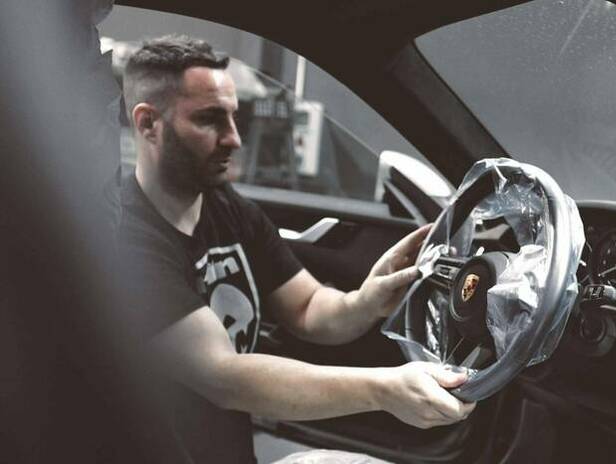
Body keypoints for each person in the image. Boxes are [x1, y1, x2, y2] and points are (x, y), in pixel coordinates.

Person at [117, 35, 474, 463]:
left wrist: (365, 300)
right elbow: (223, 377)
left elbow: (306, 308)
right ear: (148, 124)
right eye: (210, 119)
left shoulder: (226, 208)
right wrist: (383, 390)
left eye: (234, 117)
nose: (234, 138)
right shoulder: (124, 237)